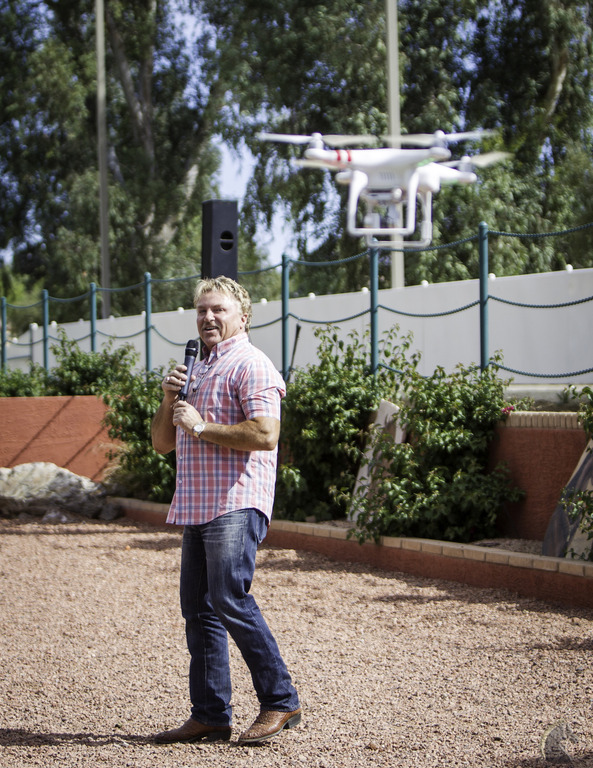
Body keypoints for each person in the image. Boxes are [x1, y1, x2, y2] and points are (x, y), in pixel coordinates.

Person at [150, 276, 301, 746]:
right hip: (198, 504)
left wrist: (201, 427)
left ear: (243, 316)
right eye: (201, 311)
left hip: (237, 502)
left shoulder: (252, 365)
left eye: (218, 309)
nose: (208, 318)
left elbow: (265, 434)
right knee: (198, 610)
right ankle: (212, 715)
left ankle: (281, 699)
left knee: (229, 599)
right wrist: (168, 398)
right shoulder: (196, 369)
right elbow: (160, 444)